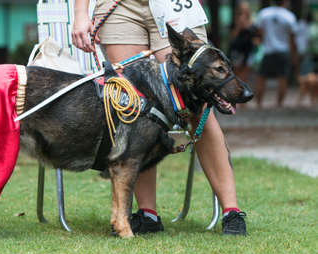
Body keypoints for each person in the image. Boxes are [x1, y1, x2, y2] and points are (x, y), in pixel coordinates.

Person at [72, 0, 247, 235]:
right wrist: (81, 13)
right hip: (119, 8)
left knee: (199, 109)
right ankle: (148, 215)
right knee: (135, 111)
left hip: (173, 5)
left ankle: (231, 212)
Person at [254, 0, 297, 108]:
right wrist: (294, 55)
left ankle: (259, 104)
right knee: (282, 77)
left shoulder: (264, 13)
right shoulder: (289, 16)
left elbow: (259, 32)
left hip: (267, 50)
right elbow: (292, 38)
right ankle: (279, 104)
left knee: (262, 77)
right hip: (283, 51)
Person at [228, 1, 260, 82]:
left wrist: (256, 41)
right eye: (242, 10)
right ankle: (237, 90)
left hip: (248, 51)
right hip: (237, 51)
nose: (244, 13)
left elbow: (256, 37)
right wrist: (239, 26)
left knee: (245, 73)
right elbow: (232, 37)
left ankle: (241, 90)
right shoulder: (235, 22)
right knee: (236, 73)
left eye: (246, 10)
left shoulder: (252, 22)